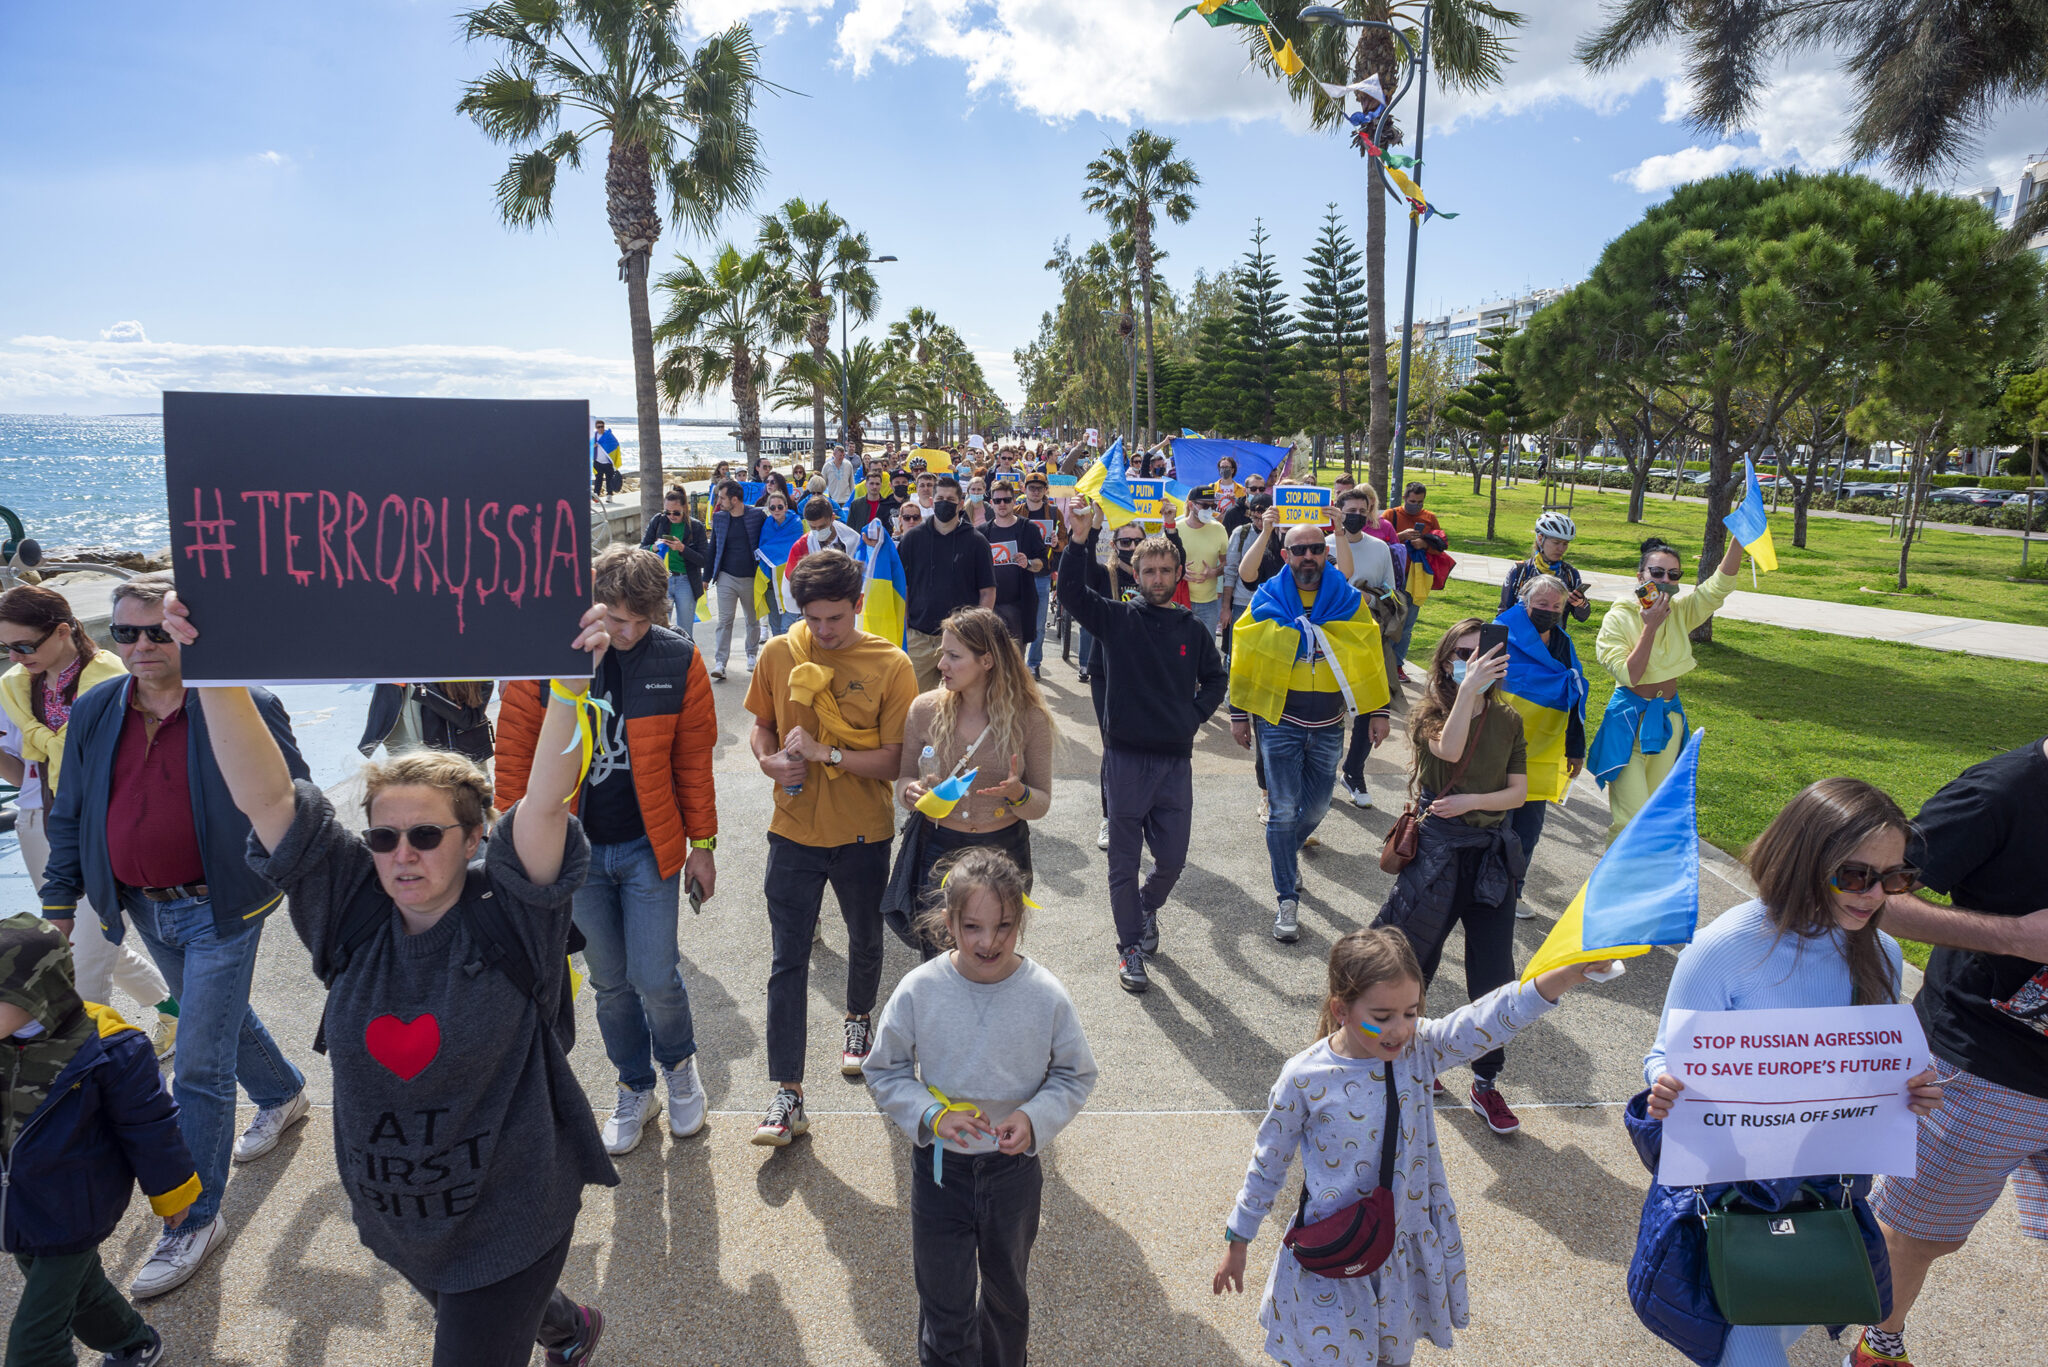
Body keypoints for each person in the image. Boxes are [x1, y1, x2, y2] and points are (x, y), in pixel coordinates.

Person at [167, 590, 617, 1367]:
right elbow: (266, 795)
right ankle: (569, 1324)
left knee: (474, 1329)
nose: (401, 853)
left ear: (474, 836)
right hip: (400, 1215)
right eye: (381, 835)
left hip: (514, 1211)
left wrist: (569, 688)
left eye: (426, 834)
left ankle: (546, 1314)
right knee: (462, 1297)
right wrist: (214, 673)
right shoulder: (350, 908)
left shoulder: (509, 910)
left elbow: (544, 802)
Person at [38, 573, 310, 1300]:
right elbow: (70, 810)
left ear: (189, 633)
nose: (141, 645)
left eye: (158, 631)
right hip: (142, 906)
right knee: (207, 1021)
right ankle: (282, 1092)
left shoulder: (243, 704)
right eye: (126, 631)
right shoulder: (96, 709)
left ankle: (195, 1215)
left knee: (196, 1063)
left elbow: (295, 799)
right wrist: (60, 900)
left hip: (223, 906)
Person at [1636, 779, 1945, 1367]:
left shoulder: (1882, 956)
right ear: (1805, 858)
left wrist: (1910, 1086)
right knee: (1752, 1350)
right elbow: (1665, 1054)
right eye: (1855, 875)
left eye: (1895, 877)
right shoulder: (1724, 947)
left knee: (1773, 1330)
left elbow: (1876, 1064)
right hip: (1735, 1195)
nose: (1875, 894)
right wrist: (1666, 1084)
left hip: (1825, 1192)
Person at [1213, 926, 1617, 1364]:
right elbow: (1268, 1163)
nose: (1400, 1028)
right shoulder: (1304, 1078)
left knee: (1392, 1351)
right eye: (1382, 1015)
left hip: (1398, 1240)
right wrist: (1239, 1238)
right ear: (1341, 1009)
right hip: (1337, 1250)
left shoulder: (1419, 1050)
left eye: (1411, 1011)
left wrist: (1565, 976)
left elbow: (1488, 1018)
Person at [495, 545, 719, 1158]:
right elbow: (513, 760)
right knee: (609, 982)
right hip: (576, 855)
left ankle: (678, 1065)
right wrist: (513, 852)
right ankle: (634, 1084)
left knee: (656, 976)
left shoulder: (679, 659)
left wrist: (703, 845)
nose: (628, 633)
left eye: (641, 623)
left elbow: (693, 764)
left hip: (650, 847)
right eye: (617, 619)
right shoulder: (541, 660)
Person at [1853, 736, 2048, 1367]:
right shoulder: (1999, 794)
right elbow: (1879, 898)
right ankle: (1879, 1338)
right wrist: (2017, 937)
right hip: (1988, 1066)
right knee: (1922, 1230)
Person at [862, 847, 1098, 1367]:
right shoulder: (919, 990)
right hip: (940, 1175)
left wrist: (1033, 1119)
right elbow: (884, 1069)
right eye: (972, 927)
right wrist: (932, 1115)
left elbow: (1075, 1073)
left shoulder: (1045, 995)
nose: (987, 942)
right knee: (944, 1303)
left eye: (1003, 927)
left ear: (1021, 923)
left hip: (1012, 1175)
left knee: (1005, 1300)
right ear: (948, 923)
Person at [745, 550, 919, 1146]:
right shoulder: (777, 653)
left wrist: (828, 755)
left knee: (866, 939)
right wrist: (768, 760)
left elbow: (896, 761)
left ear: (858, 606)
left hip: (864, 833)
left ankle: (857, 1019)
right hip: (792, 829)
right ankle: (787, 1094)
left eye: (835, 619)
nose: (822, 631)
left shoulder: (891, 664)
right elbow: (762, 725)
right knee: (786, 960)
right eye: (812, 618)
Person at [1, 913, 198, 1367]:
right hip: (18, 1205)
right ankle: (133, 1342)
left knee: (35, 1341)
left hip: (75, 1206)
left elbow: (150, 1128)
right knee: (79, 1288)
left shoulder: (110, 1047)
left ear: (35, 991)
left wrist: (172, 1194)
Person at [0, 585, 177, 1053]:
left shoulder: (114, 682)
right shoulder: (18, 688)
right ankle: (174, 1010)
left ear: (63, 631)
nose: (16, 657)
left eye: (24, 646)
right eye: (6, 648)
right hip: (40, 822)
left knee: (79, 958)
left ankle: (88, 1076)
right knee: (84, 940)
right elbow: (26, 774)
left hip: (98, 829)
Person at [1372, 618, 1532, 1134]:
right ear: (1445, 662)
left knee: (1493, 975)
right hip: (1437, 855)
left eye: (1482, 653)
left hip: (1490, 857)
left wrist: (1472, 801)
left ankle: (1486, 1081)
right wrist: (1466, 691)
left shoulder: (1509, 718)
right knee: (1415, 962)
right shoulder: (1428, 714)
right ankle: (1405, 1055)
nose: (1472, 661)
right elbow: (1451, 750)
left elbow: (1518, 793)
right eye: (1462, 654)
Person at [1060, 503, 1227, 993]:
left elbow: (1216, 680)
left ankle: (1146, 906)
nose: (1156, 576)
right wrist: (1078, 539)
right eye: (1148, 569)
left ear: (1178, 576)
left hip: (1175, 760)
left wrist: (1191, 718)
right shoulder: (1116, 619)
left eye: (1165, 570)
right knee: (1123, 861)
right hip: (1126, 759)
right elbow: (1070, 592)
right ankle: (1129, 945)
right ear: (1135, 573)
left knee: (1172, 860)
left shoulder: (1191, 628)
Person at [1229, 523, 1392, 946]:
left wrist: (1378, 710)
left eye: (1316, 549)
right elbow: (1245, 647)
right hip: (1279, 722)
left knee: (1318, 805)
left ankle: (1286, 849)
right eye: (1299, 549)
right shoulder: (1268, 596)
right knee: (1282, 810)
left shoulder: (1346, 599)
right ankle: (1286, 895)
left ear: (1326, 553)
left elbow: (1367, 650)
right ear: (1286, 555)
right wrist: (1238, 714)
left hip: (1328, 724)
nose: (1308, 556)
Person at [892, 608, 1054, 957]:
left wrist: (1019, 794)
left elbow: (1041, 802)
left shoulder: (1030, 718)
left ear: (987, 661)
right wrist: (910, 791)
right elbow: (903, 778)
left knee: (991, 953)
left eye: (954, 656)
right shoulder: (924, 710)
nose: (941, 665)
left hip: (1003, 849)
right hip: (938, 847)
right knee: (937, 958)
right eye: (942, 654)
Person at [1591, 535, 1745, 840]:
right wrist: (1649, 626)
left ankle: (1641, 884)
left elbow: (1718, 587)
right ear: (1640, 577)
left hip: (1667, 722)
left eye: (1674, 575)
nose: (1665, 580)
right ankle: (1614, 885)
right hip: (1627, 724)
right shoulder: (1618, 618)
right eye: (1657, 573)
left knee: (1652, 818)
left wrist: (1739, 539)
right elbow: (1629, 675)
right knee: (1629, 820)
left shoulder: (1681, 610)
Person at [1492, 576, 1587, 920]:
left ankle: (1513, 892)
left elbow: (1572, 698)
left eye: (1555, 607)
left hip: (1541, 754)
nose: (1548, 611)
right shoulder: (1498, 634)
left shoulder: (1563, 643)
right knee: (1492, 827)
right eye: (1541, 604)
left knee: (1527, 832)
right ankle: (1482, 888)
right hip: (1496, 752)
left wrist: (1575, 750)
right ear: (1523, 602)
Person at [1328, 488, 1403, 811]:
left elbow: (1392, 594)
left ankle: (1354, 772)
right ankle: (1322, 772)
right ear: (1338, 511)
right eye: (1350, 508)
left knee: (1367, 706)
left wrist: (1369, 599)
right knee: (1330, 706)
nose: (1356, 513)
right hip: (1330, 635)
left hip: (1368, 636)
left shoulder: (1380, 548)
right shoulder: (1324, 545)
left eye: (1362, 508)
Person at [899, 474, 997, 692]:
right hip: (919, 639)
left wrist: (977, 632)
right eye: (940, 498)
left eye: (950, 500)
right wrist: (904, 629)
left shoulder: (976, 541)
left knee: (961, 705)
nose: (944, 503)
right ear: (932, 501)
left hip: (961, 641)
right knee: (915, 703)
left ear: (961, 504)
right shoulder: (912, 539)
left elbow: (988, 592)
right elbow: (902, 588)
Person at [708, 480, 769, 680]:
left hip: (751, 578)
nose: (719, 501)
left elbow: (768, 539)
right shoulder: (719, 518)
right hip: (726, 576)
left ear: (735, 499)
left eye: (722, 497)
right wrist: (705, 577)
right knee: (725, 620)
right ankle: (720, 662)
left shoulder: (757, 516)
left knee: (752, 620)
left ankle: (751, 655)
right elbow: (713, 548)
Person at [979, 481, 1048, 650]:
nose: (1002, 504)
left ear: (1014, 500)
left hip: (1019, 606)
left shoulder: (1028, 528)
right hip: (990, 606)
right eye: (998, 501)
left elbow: (1042, 563)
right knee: (990, 657)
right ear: (991, 503)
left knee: (1016, 659)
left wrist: (1028, 563)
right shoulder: (982, 532)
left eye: (1007, 500)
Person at [1388, 483, 1448, 671]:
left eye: (1420, 502)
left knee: (1407, 624)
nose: (1416, 506)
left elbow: (1440, 546)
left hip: (1417, 576)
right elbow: (1380, 543)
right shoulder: (1391, 515)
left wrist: (1424, 544)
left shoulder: (1429, 518)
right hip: (1393, 575)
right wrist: (1401, 536)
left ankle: (1397, 664)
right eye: (1412, 501)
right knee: (1389, 621)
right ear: (1404, 498)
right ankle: (1384, 662)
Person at [1498, 511, 1590, 626]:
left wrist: (1581, 604)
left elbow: (1582, 617)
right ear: (1540, 538)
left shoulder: (1570, 574)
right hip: (1520, 640)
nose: (1561, 549)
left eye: (1565, 544)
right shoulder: (1520, 571)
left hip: (1554, 642)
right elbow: (1503, 612)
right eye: (1556, 542)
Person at [642, 484, 709, 637]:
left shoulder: (696, 527)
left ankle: (686, 660)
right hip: (661, 580)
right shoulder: (658, 521)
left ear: (684, 508)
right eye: (667, 512)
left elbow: (704, 560)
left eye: (676, 513)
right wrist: (654, 548)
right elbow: (641, 550)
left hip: (685, 580)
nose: (671, 516)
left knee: (685, 632)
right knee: (659, 630)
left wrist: (682, 548)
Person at [1018, 472, 1061, 679]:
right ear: (1024, 489)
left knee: (1038, 625)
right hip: (1018, 575)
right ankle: (1017, 665)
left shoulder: (1053, 513)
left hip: (1043, 575)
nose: (1035, 492)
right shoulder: (1017, 511)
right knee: (1015, 622)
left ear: (1046, 491)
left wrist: (1056, 543)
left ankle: (1033, 664)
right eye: (1031, 487)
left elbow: (1064, 540)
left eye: (1039, 488)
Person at [1177, 484, 1230, 645]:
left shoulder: (1219, 529)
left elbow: (1227, 563)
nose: (1209, 510)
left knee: (1207, 651)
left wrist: (1215, 572)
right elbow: (1164, 564)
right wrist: (1178, 572)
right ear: (1191, 505)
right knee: (1181, 649)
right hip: (1180, 601)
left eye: (1213, 506)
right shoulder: (1176, 529)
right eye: (1205, 505)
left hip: (1209, 603)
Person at [785, 496, 863, 573]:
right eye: (813, 527)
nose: (818, 530)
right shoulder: (801, 546)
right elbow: (791, 579)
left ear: (832, 518)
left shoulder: (853, 539)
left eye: (822, 526)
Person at [849, 467, 902, 539]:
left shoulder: (887, 504)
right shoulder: (856, 505)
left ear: (881, 485)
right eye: (871, 483)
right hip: (861, 542)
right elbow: (850, 528)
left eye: (877, 484)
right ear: (866, 484)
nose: (874, 487)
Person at [591, 419, 622, 498]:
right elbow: (587, 445)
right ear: (596, 427)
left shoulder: (608, 435)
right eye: (599, 427)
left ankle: (609, 495)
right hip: (597, 462)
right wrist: (593, 446)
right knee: (598, 479)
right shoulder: (593, 436)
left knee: (609, 479)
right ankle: (596, 495)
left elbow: (615, 444)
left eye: (602, 426)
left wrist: (603, 444)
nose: (600, 428)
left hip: (608, 463)